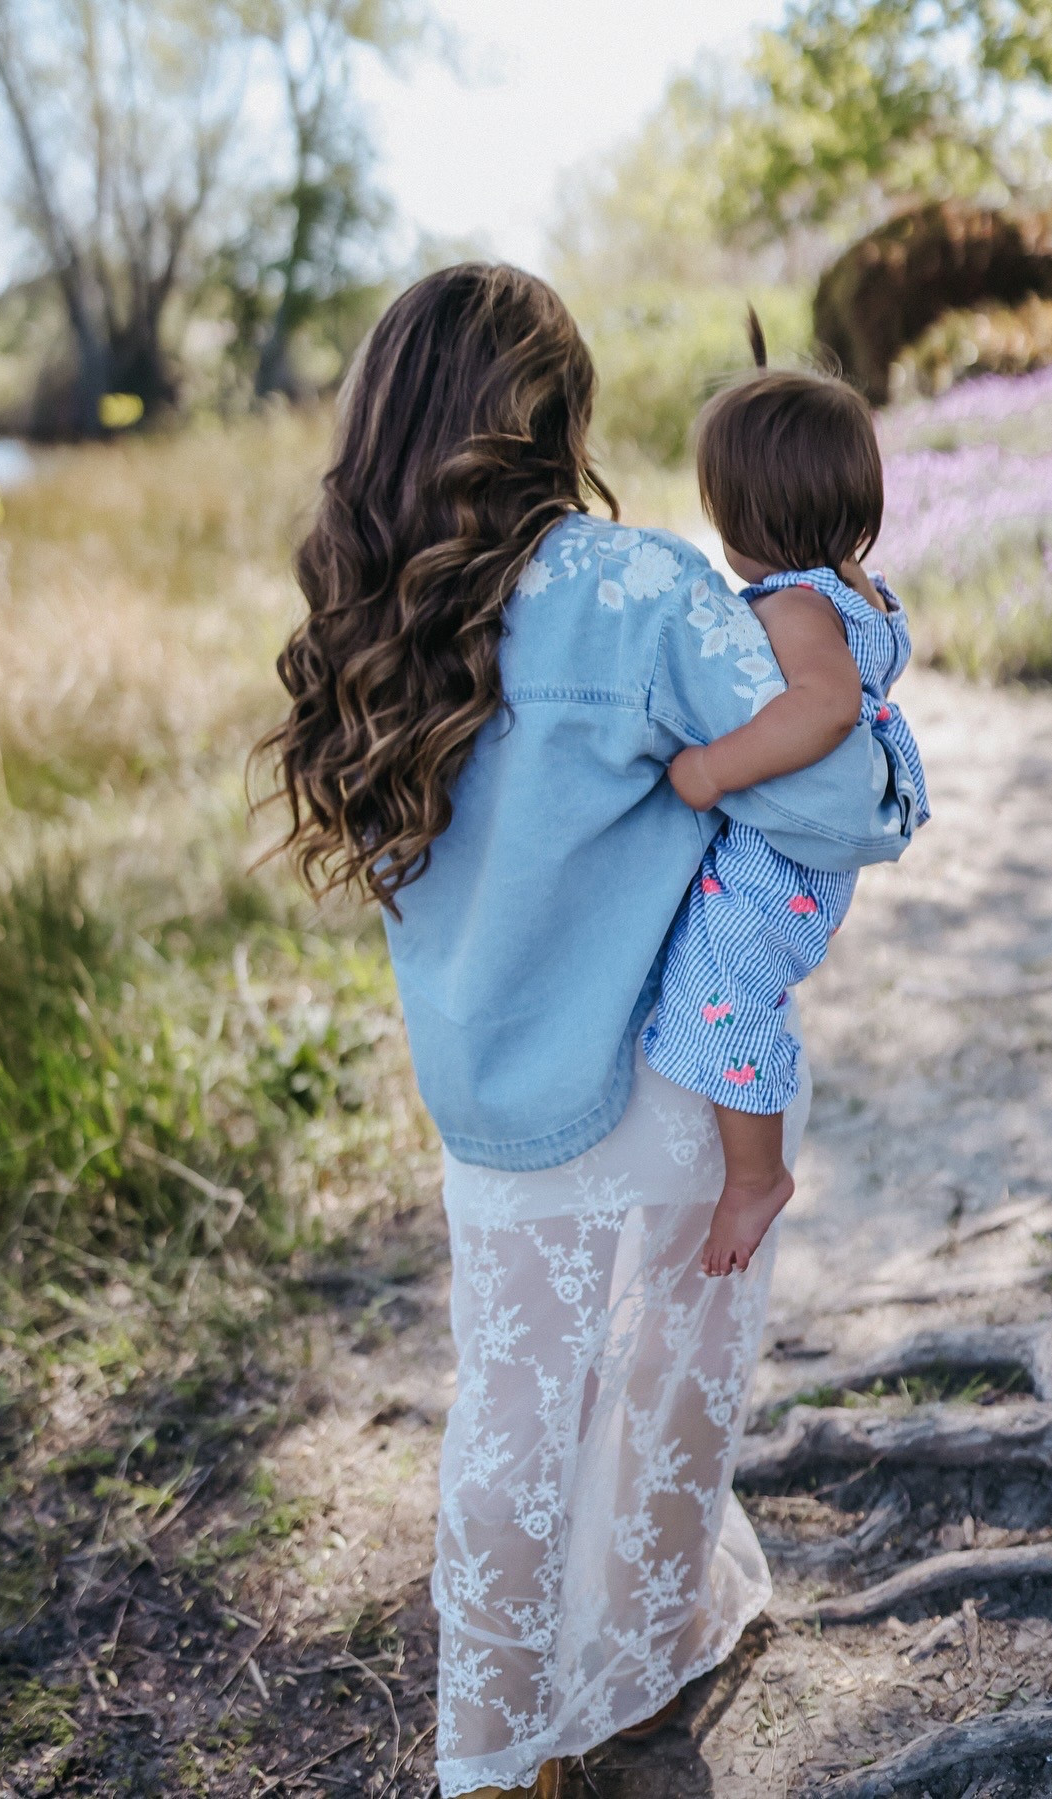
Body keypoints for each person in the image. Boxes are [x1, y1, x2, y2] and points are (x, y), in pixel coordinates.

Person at [262, 263, 915, 1799]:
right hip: (665, 1082)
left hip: (489, 1097)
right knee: (665, 1381)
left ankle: (495, 1748)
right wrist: (878, 775)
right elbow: (826, 795)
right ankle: (623, 1690)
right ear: (550, 418)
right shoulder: (635, 587)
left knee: (510, 1406)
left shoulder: (369, 613)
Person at [642, 311, 929, 1277]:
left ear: (750, 522)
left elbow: (825, 706)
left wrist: (711, 770)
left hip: (780, 860)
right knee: (724, 978)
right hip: (807, 855)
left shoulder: (799, 606)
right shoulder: (856, 586)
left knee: (732, 987)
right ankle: (744, 1158)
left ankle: (754, 1175)